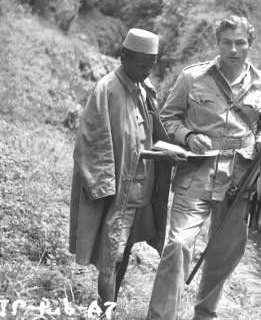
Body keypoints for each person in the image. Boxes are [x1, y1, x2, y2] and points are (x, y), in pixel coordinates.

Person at [147, 15, 261, 320]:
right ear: (217, 43)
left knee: (224, 254)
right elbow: (168, 118)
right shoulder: (192, 77)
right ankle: (161, 316)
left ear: (249, 45)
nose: (233, 49)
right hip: (195, 175)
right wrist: (189, 136)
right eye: (227, 42)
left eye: (240, 43)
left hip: (241, 181)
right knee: (178, 244)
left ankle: (205, 313)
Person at [69, 28, 186, 317]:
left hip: (141, 194)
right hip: (118, 192)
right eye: (140, 65)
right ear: (123, 58)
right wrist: (155, 155)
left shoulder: (143, 90)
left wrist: (174, 151)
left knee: (125, 251)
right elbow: (93, 144)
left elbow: (148, 136)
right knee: (111, 255)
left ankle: (110, 303)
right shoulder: (106, 90)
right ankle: (106, 310)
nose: (146, 72)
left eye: (151, 65)